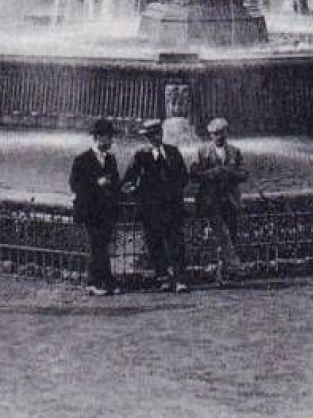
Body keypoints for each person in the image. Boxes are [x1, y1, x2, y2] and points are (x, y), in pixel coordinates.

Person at [124, 119, 190, 292]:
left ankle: (180, 278)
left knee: (176, 242)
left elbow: (184, 177)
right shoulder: (140, 156)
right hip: (150, 208)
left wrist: (173, 190)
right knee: (155, 243)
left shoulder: (173, 152)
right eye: (149, 136)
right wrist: (136, 192)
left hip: (172, 206)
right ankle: (163, 278)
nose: (153, 139)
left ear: (161, 133)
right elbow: (128, 179)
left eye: (155, 134)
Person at [69, 118, 123, 296]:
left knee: (102, 244)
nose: (111, 141)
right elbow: (75, 184)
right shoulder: (82, 159)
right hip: (90, 210)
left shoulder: (111, 159)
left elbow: (115, 181)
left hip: (106, 210)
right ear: (99, 137)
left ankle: (105, 281)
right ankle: (94, 282)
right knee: (96, 245)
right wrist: (96, 183)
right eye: (109, 137)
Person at [192, 116, 247, 286]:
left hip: (230, 200)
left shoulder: (235, 151)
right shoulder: (202, 152)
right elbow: (194, 175)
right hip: (211, 201)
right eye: (215, 134)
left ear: (227, 133)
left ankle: (223, 274)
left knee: (230, 234)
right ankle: (235, 268)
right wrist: (213, 173)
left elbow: (244, 173)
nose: (219, 136)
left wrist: (230, 173)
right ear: (210, 135)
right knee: (221, 234)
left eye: (222, 133)